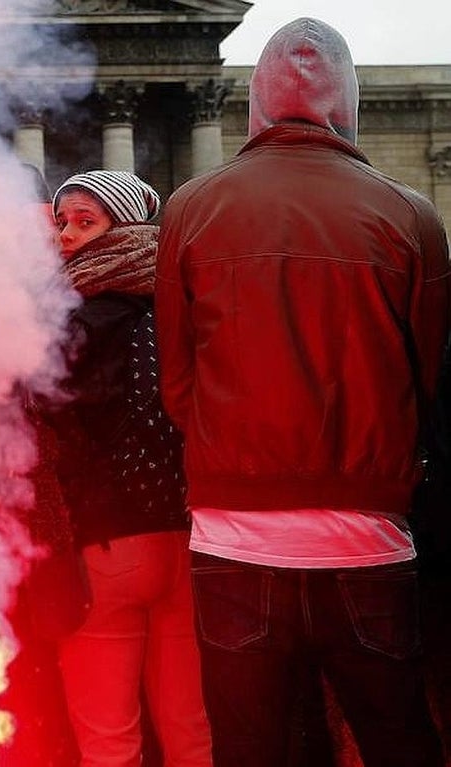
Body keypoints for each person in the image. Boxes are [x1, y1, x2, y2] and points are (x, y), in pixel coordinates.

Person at [155, 17, 450, 767]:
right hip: (368, 536)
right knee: (398, 741)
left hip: (232, 538)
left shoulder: (189, 207)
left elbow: (177, 382)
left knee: (250, 749)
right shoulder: (411, 214)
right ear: (347, 101)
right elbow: (426, 377)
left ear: (255, 100)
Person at [31, 169, 212, 767]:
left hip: (106, 543)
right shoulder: (187, 306)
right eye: (63, 221)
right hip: (188, 537)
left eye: (85, 222)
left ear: (125, 228)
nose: (65, 235)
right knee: (192, 730)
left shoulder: (73, 320)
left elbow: (42, 424)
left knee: (109, 737)